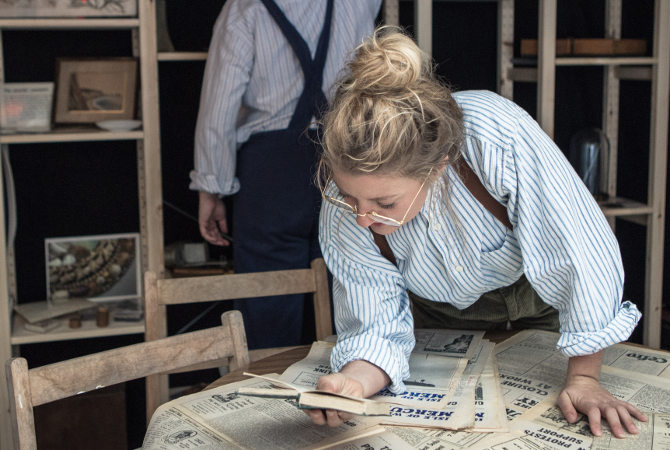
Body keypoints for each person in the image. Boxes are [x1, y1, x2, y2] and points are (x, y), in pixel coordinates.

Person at [309, 27, 647, 438]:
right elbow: (374, 326)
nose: (362, 217)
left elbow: (578, 252)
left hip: (541, 307)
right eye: (350, 197)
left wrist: (585, 380)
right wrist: (355, 384)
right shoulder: (343, 206)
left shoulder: (493, 134)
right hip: (437, 327)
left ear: (438, 166)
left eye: (384, 204)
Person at [190, 0, 381, 349]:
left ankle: (267, 393)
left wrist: (211, 188)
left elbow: (219, 106)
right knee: (348, 287)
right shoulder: (356, 3)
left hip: (270, 172)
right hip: (344, 160)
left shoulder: (245, 9)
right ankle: (343, 386)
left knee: (268, 297)